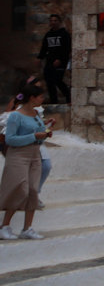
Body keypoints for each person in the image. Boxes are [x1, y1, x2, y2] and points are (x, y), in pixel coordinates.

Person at [0, 83, 53, 240]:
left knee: (32, 190)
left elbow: (38, 133)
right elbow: (10, 139)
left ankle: (27, 228)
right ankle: (4, 225)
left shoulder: (36, 114)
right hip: (18, 155)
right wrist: (33, 137)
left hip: (34, 154)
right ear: (32, 98)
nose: (43, 99)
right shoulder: (16, 115)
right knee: (20, 189)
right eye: (40, 96)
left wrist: (47, 128)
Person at [36, 14, 71, 105]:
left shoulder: (64, 34)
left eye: (55, 20)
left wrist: (60, 59)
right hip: (50, 61)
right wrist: (40, 58)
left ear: (59, 22)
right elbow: (44, 48)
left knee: (58, 80)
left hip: (61, 62)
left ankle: (69, 97)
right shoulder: (48, 35)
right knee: (49, 81)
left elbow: (66, 49)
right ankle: (53, 101)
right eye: (51, 21)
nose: (53, 22)